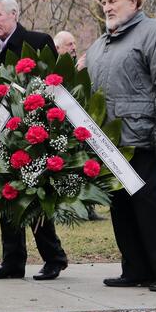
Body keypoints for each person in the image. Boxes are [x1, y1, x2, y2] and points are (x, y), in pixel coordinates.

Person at [0, 0, 68, 281]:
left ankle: (54, 257)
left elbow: (53, 86)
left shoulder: (38, 42)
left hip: (33, 132)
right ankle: (12, 261)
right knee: (6, 196)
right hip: (0, 136)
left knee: (36, 197)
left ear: (14, 14)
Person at [85, 0, 156, 292]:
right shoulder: (99, 45)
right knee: (119, 203)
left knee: (147, 201)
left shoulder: (154, 32)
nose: (107, 7)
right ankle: (134, 268)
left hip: (143, 135)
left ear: (133, 1)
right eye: (103, 1)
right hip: (109, 140)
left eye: (113, 0)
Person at [54, 30, 107, 222]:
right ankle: (71, 208)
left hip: (84, 124)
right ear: (58, 48)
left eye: (74, 43)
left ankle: (89, 208)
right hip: (63, 127)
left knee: (87, 164)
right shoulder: (55, 67)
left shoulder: (82, 64)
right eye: (69, 44)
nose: (74, 47)